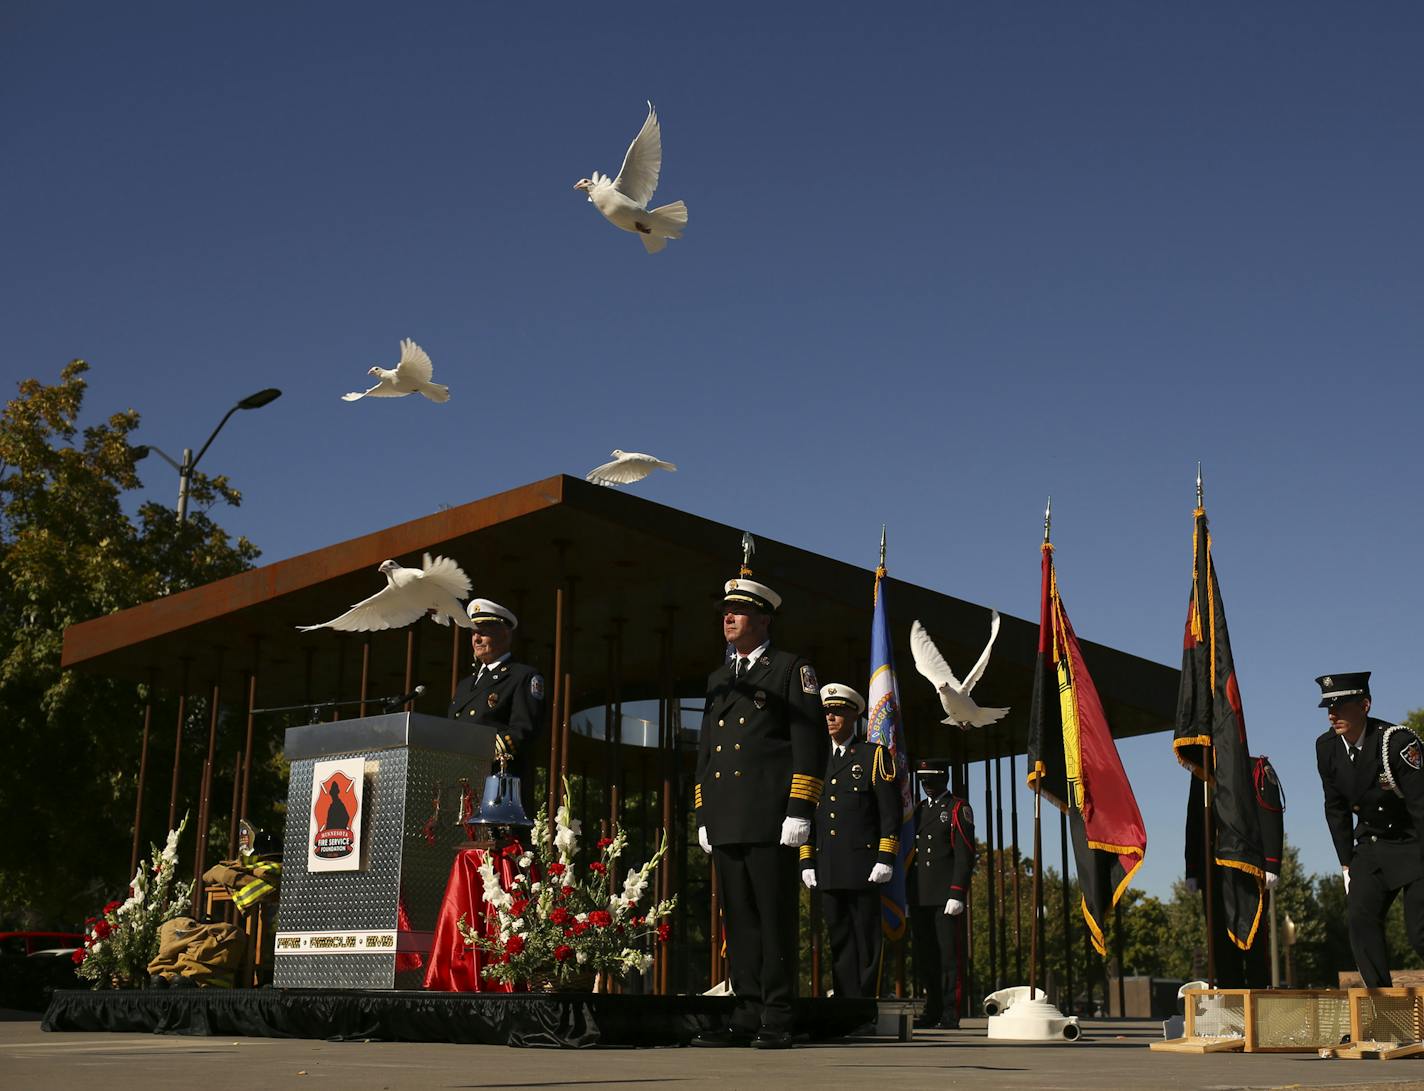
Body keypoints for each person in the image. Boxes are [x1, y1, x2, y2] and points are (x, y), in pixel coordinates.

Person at [692, 575, 826, 1049]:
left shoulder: (791, 670)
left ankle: (779, 1014)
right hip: (727, 817)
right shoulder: (718, 679)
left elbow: (810, 746)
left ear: (764, 619)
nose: (728, 617)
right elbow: (706, 752)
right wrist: (703, 815)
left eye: (739, 610)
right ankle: (746, 1012)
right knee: (740, 921)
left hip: (770, 816)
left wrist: (799, 810)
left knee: (774, 919)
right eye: (725, 610)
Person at [1314, 671, 1424, 987]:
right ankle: (1383, 1015)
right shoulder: (1327, 748)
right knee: (1360, 923)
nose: (1333, 714)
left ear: (1364, 705)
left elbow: (1421, 807)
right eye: (1328, 708)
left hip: (1413, 843)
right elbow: (1334, 807)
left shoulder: (1398, 742)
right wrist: (1346, 862)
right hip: (1371, 845)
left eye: (1342, 705)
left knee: (1420, 933)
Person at [799, 683, 900, 999]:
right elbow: (809, 814)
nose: (830, 717)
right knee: (839, 938)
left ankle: (866, 1003)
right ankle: (845, 1003)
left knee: (866, 938)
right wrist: (806, 860)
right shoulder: (814, 760)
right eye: (826, 711)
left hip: (862, 865)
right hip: (828, 865)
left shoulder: (873, 756)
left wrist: (886, 857)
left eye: (837, 711)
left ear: (854, 715)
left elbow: (889, 813)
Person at [1184, 754, 1285, 987]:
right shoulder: (1202, 773)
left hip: (1247, 869)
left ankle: (1258, 1006)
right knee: (1220, 943)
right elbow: (1195, 819)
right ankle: (1232, 1009)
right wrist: (1192, 867)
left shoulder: (1253, 767)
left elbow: (1270, 813)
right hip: (1213, 870)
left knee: (1253, 941)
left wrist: (1272, 862)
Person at [448, 599, 545, 790]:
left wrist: (478, 750)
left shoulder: (523, 676)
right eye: (474, 632)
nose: (476, 639)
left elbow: (523, 732)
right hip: (459, 781)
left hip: (496, 782)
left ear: (505, 633)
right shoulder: (465, 685)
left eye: (483, 632)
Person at [907, 758, 975, 1030]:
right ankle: (932, 1008)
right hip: (921, 894)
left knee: (949, 957)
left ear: (943, 779)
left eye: (931, 780)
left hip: (945, 895)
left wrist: (957, 893)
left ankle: (950, 1011)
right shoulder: (920, 810)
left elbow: (964, 854)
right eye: (923, 781)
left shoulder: (958, 807)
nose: (926, 785)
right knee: (927, 958)